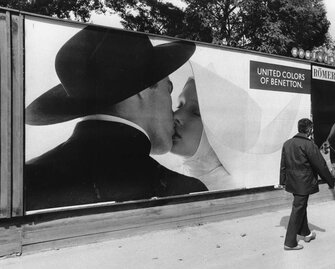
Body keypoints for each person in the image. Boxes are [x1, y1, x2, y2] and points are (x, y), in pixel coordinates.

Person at [25, 25, 208, 211]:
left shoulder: (21, 180)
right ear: (144, 89)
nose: (173, 113)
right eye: (168, 89)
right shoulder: (183, 193)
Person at [171, 77, 235, 190]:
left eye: (196, 112)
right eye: (179, 105)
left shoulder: (226, 191)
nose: (176, 115)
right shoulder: (172, 178)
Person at [280, 118, 334, 250]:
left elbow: (283, 165)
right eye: (312, 129)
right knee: (298, 209)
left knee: (301, 207)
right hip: (303, 183)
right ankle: (290, 242)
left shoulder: (287, 143)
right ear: (309, 130)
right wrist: (330, 181)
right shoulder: (309, 145)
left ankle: (306, 233)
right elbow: (320, 165)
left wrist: (282, 181)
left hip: (292, 183)